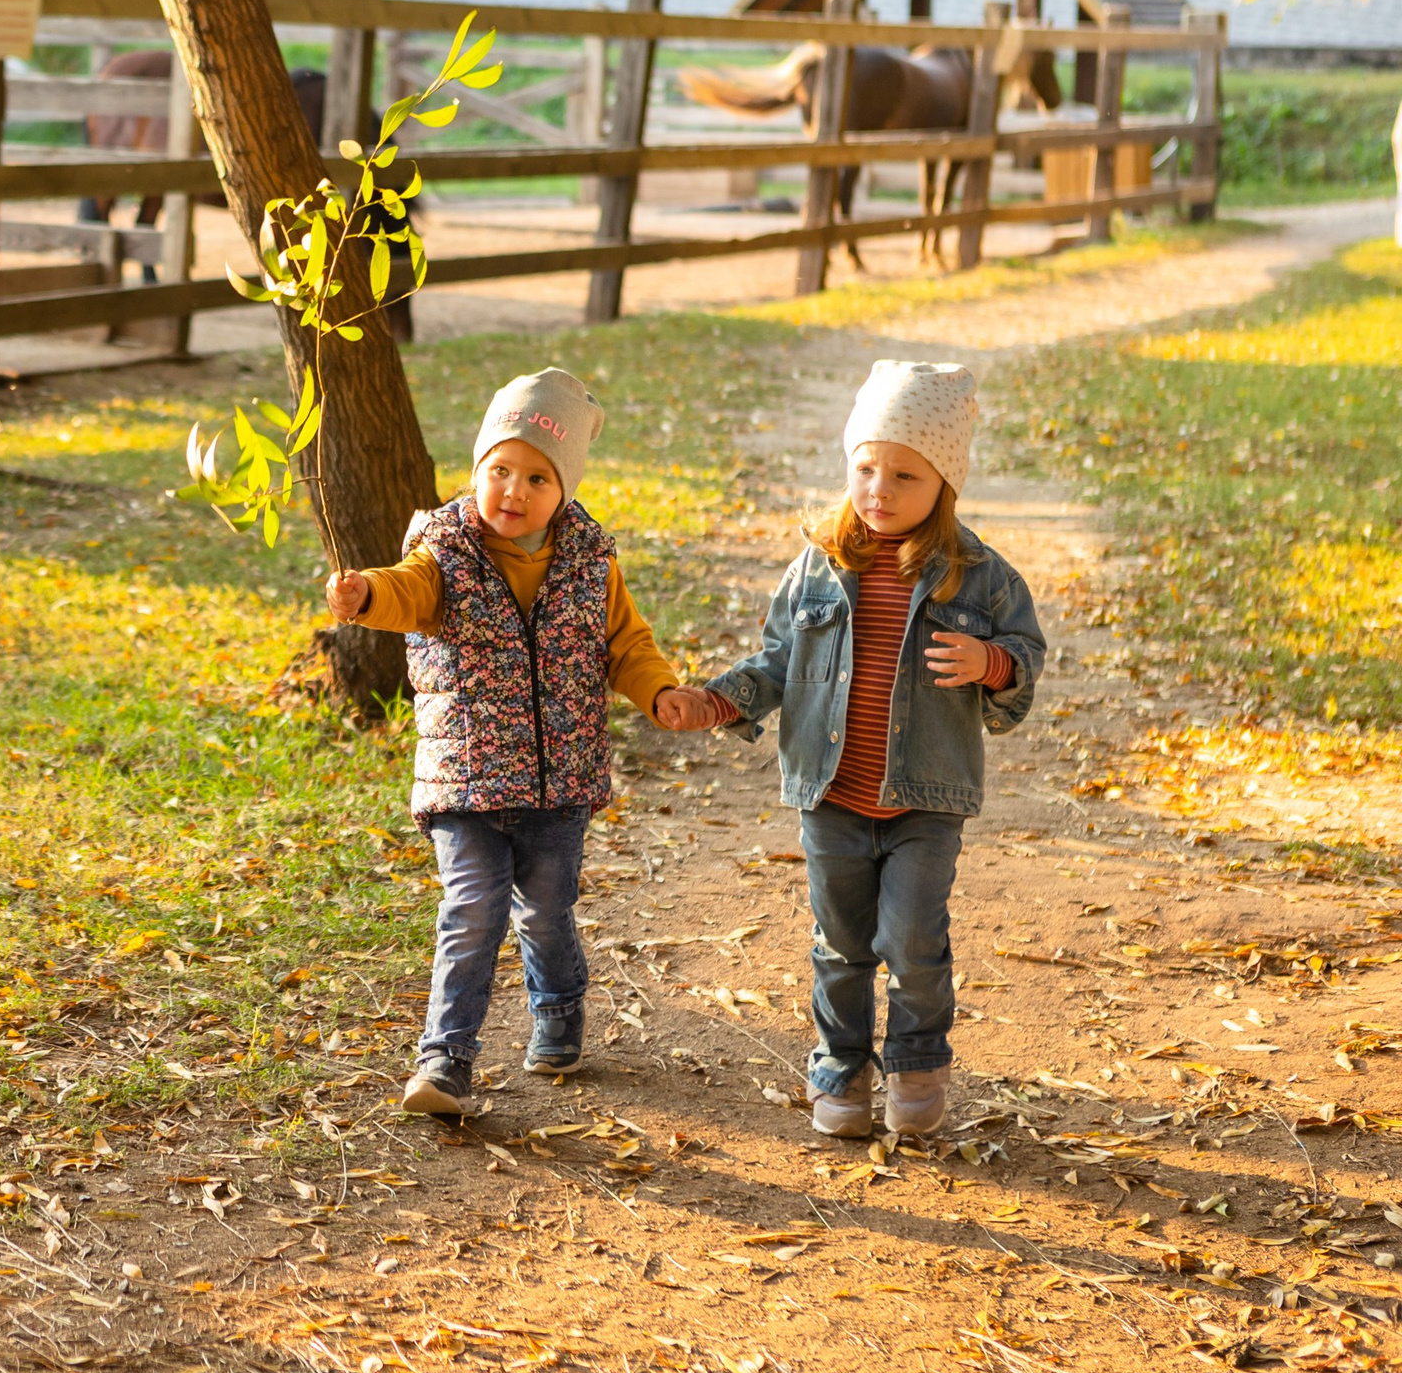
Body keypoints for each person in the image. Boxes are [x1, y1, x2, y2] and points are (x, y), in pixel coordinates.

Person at [325, 368, 715, 1116]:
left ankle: (560, 1005)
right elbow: (406, 590)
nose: (512, 488)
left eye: (536, 475)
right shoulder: (443, 551)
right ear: (478, 469)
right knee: (473, 910)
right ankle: (444, 1063)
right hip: (467, 779)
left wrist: (660, 693)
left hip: (558, 782)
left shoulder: (589, 561)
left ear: (564, 489)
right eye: (499, 468)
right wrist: (365, 593)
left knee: (545, 908)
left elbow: (627, 644)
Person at [680, 361, 1045, 1137]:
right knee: (841, 944)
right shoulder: (819, 562)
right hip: (833, 796)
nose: (879, 488)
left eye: (904, 474)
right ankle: (841, 1068)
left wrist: (991, 663)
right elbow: (778, 659)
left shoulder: (977, 577)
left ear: (944, 483)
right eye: (865, 467)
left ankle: (916, 1061)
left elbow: (1024, 653)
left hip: (925, 798)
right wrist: (719, 699)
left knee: (913, 938)